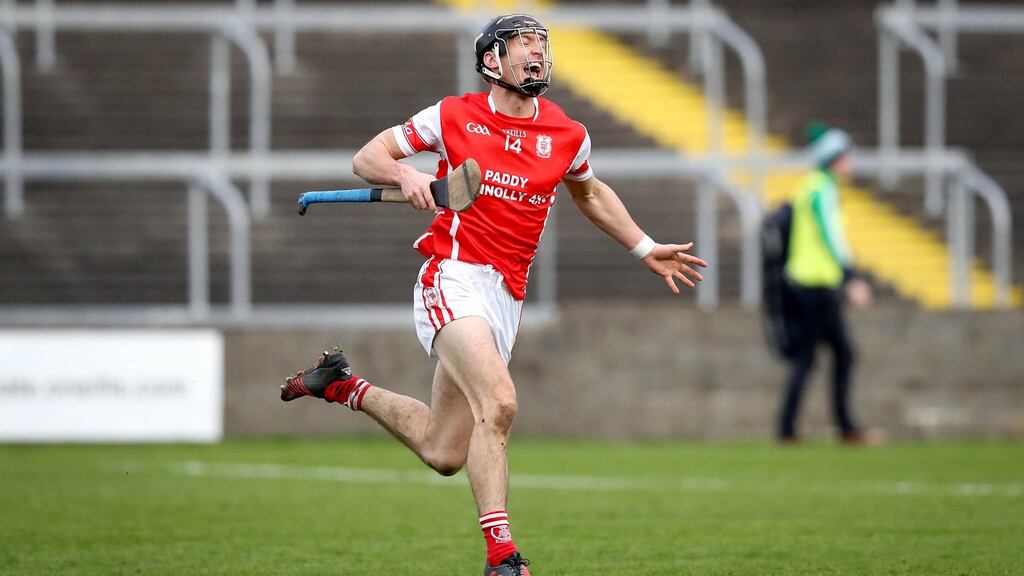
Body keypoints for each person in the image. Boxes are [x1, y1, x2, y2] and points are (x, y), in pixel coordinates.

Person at [279, 13, 707, 576]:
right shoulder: (452, 115)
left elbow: (591, 191)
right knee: (500, 402)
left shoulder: (566, 133)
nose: (537, 53)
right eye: (523, 43)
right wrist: (405, 176)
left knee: (443, 450)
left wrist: (643, 246)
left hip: (506, 295)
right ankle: (502, 557)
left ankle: (340, 383)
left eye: (542, 43)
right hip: (452, 275)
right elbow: (368, 158)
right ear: (491, 60)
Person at [776, 123, 877, 446]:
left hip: (810, 284)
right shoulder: (822, 189)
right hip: (815, 284)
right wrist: (851, 277)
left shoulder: (812, 186)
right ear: (834, 159)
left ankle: (792, 428)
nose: (851, 163)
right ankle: (837, 427)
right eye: (847, 157)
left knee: (823, 356)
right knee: (834, 355)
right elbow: (831, 236)